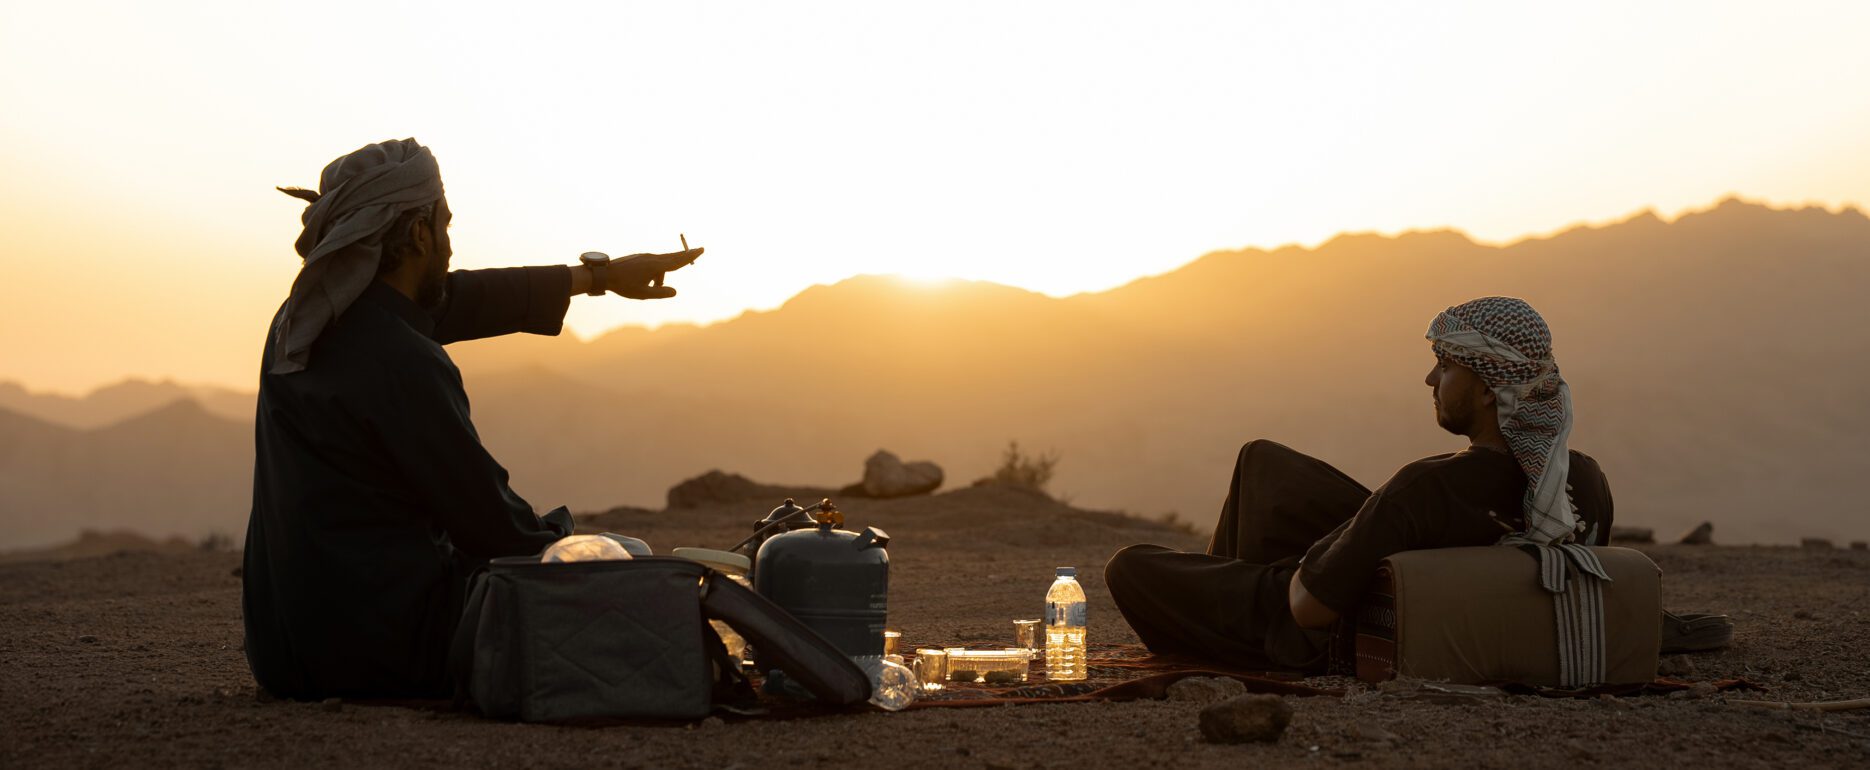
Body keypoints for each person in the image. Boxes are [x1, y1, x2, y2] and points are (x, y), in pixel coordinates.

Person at [241, 139, 702, 700]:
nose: (451, 246)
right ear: (417, 234)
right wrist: (572, 544)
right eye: (445, 226)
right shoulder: (401, 360)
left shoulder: (300, 324)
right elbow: (495, 530)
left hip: (288, 651)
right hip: (385, 651)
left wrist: (597, 278)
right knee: (625, 558)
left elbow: (449, 300)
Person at [1104, 297, 1615, 673]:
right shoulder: (1583, 479)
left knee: (1130, 567)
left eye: (1445, 365)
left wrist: (1316, 560)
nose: (1431, 381)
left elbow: (1308, 607)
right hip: (1454, 589)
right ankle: (1240, 599)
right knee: (1263, 463)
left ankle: (1236, 637)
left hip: (1333, 633)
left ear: (1487, 391)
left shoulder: (1427, 487)